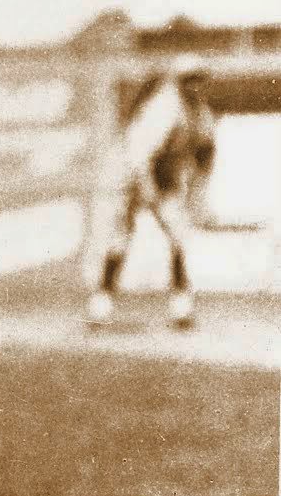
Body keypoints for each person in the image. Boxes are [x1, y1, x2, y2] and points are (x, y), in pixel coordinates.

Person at [82, 57, 217, 330]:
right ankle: (99, 306)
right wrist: (149, 192)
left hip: (161, 177)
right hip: (128, 177)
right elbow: (139, 156)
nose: (196, 85)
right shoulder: (164, 108)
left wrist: (198, 191)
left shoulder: (200, 113)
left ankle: (182, 310)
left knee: (178, 236)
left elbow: (206, 152)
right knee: (120, 239)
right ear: (180, 82)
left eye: (200, 78)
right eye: (190, 79)